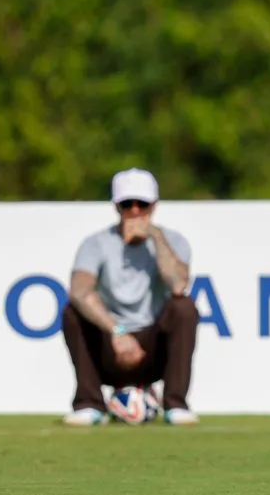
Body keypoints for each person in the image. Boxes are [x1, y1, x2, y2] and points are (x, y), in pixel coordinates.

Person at [61, 168, 200, 427]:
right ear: (117, 207)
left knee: (184, 308)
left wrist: (155, 237)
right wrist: (118, 331)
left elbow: (179, 284)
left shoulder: (173, 241)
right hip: (110, 345)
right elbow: (80, 291)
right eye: (127, 204)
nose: (135, 211)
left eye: (142, 204)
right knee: (72, 312)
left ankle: (175, 403)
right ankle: (89, 403)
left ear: (154, 206)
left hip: (153, 347)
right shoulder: (96, 243)